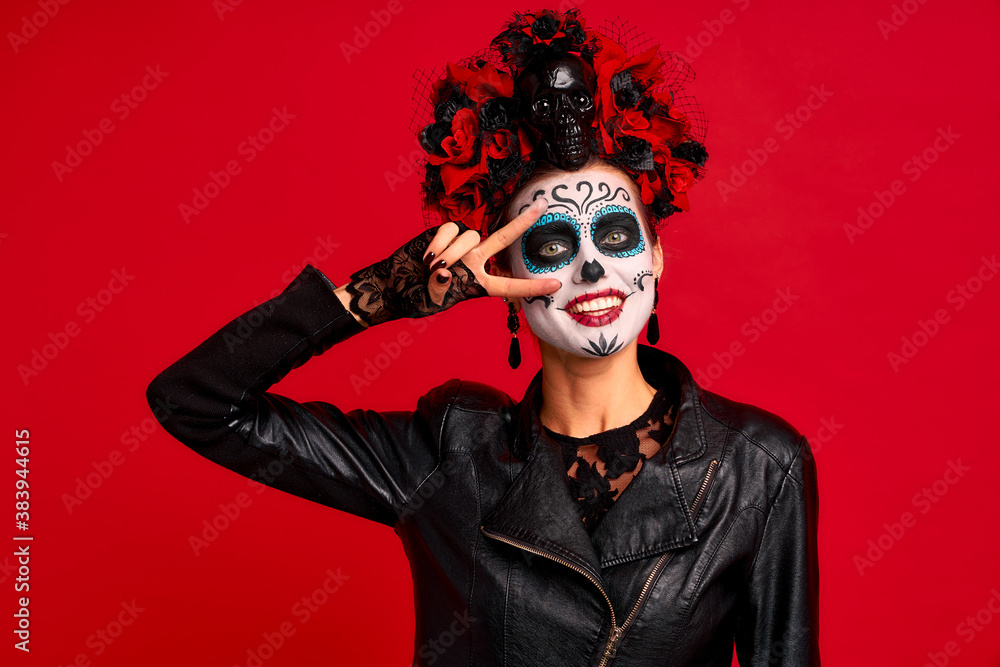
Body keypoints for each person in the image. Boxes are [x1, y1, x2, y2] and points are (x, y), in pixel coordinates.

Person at [147, 8, 819, 665]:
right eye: (551, 243)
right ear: (500, 269)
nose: (592, 267)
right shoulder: (446, 453)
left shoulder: (758, 468)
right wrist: (367, 298)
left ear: (656, 256)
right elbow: (194, 402)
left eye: (616, 235)